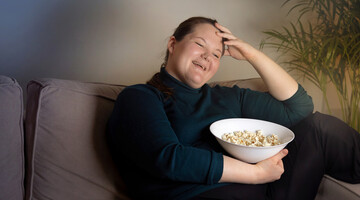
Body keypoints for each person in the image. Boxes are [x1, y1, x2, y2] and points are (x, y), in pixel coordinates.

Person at [106, 16, 360, 200]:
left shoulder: (227, 97)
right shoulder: (140, 97)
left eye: (217, 54)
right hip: (202, 195)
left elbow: (300, 108)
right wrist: (256, 174)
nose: (208, 56)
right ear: (173, 44)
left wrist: (251, 54)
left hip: (271, 192)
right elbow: (168, 158)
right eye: (200, 44)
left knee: (318, 127)